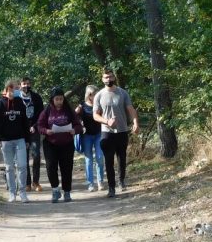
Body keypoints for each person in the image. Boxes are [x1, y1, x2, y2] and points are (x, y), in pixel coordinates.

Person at [93, 68, 138, 198]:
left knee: (122, 157)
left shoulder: (122, 93)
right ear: (102, 79)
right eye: (106, 77)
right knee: (108, 160)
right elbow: (95, 116)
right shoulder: (99, 95)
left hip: (122, 130)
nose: (109, 79)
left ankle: (121, 180)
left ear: (114, 78)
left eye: (111, 77)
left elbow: (131, 109)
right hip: (107, 132)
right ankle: (111, 187)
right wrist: (106, 121)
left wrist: (135, 123)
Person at [37, 87, 83, 203]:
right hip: (50, 143)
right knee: (51, 166)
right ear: (52, 99)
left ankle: (67, 192)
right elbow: (40, 126)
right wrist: (46, 131)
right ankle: (55, 190)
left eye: (61, 99)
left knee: (67, 168)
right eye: (57, 99)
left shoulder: (69, 110)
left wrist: (74, 130)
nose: (59, 101)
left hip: (67, 144)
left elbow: (78, 125)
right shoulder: (47, 110)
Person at [0, 80, 32, 203]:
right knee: (9, 168)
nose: (14, 91)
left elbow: (25, 122)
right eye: (12, 89)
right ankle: (12, 193)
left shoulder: (20, 102)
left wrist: (27, 139)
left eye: (16, 89)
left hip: (20, 139)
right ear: (7, 89)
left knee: (22, 166)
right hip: (5, 141)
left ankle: (23, 193)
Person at [19, 77, 45, 192]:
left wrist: (34, 126)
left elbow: (41, 114)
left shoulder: (36, 97)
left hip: (34, 130)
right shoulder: (16, 98)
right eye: (24, 84)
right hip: (21, 132)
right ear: (20, 85)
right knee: (23, 157)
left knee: (36, 156)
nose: (26, 86)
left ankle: (36, 182)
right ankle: (27, 183)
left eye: (28, 84)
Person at [79, 84, 105, 191]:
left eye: (96, 94)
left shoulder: (100, 105)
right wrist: (80, 124)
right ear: (88, 95)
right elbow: (74, 116)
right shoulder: (82, 106)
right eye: (92, 94)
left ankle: (100, 181)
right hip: (87, 136)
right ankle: (90, 183)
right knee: (88, 159)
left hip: (99, 134)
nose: (94, 96)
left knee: (99, 157)